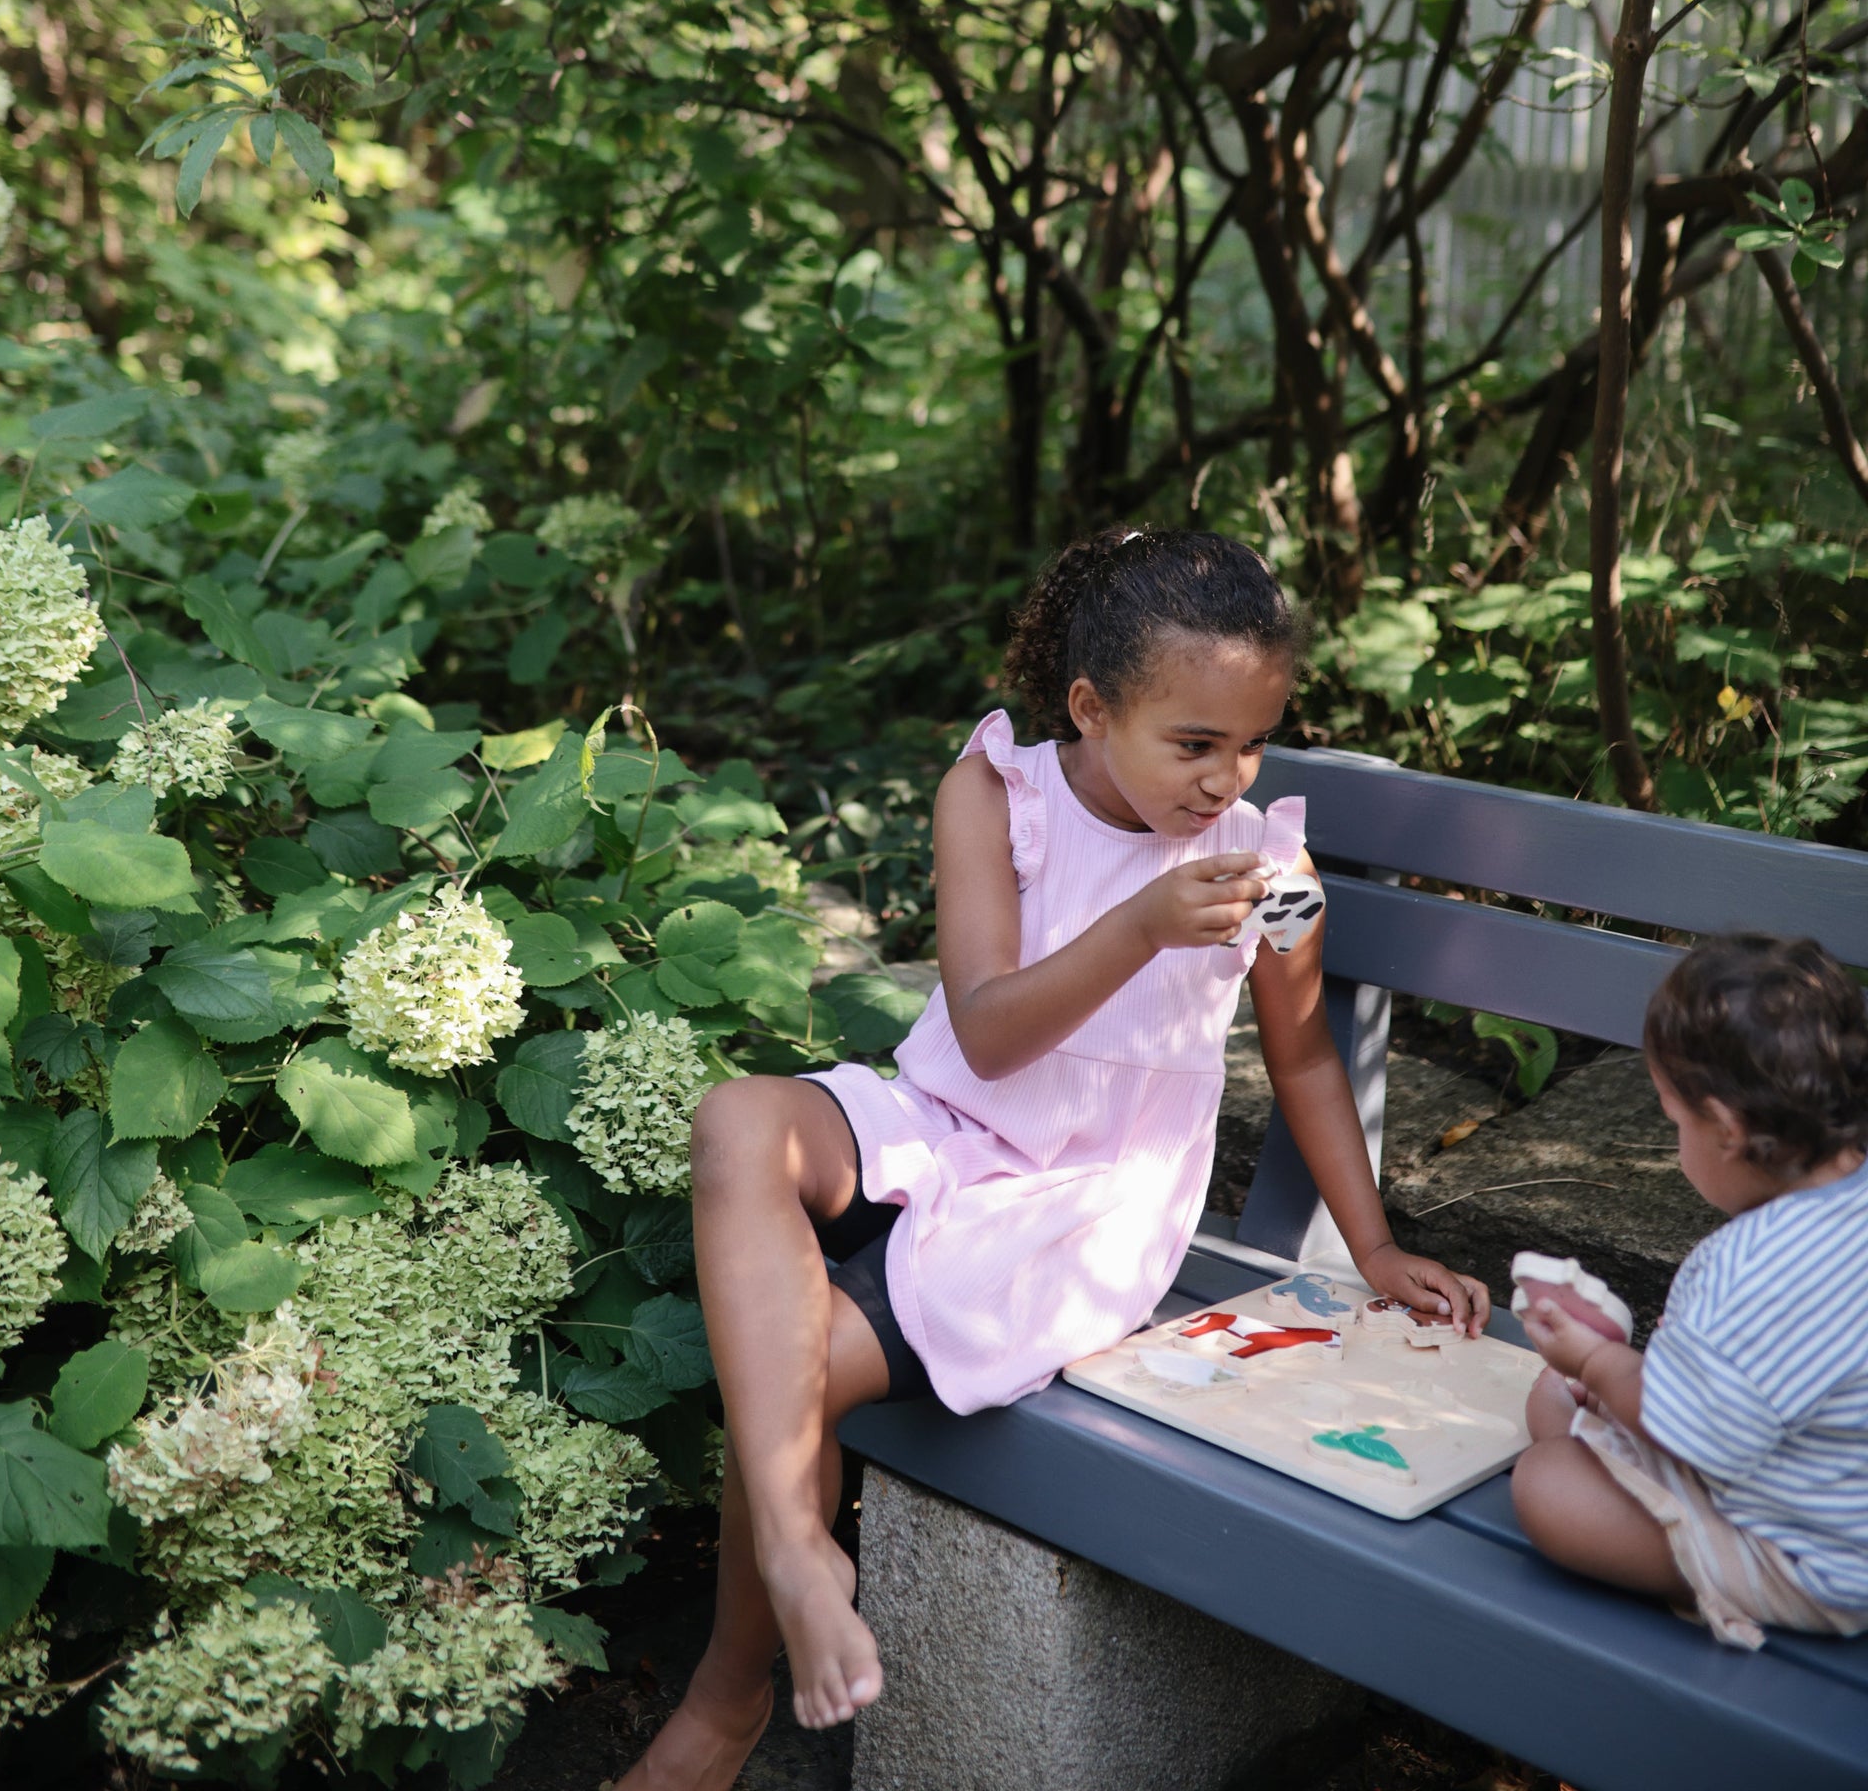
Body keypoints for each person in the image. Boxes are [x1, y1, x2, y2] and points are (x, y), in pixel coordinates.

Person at [618, 528, 1490, 1791]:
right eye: (1195, 743)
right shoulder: (995, 795)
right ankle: (801, 1552)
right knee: (738, 1119)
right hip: (943, 1120)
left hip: (1081, 1206)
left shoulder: (1274, 870)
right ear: (1090, 707)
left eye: (1254, 743)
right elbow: (986, 1033)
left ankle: (725, 1698)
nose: (1226, 780)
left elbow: (1306, 1061)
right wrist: (1141, 925)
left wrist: (1376, 1245)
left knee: (797, 1369)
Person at [1511, 933, 1868, 1650]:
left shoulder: (1752, 1265)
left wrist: (1598, 1363)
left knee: (1545, 1480)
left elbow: (1691, 1435)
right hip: (1816, 1475)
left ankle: (1707, 1572)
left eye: (1675, 1121)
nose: (1676, 1146)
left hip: (1815, 1555)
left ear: (1728, 1130)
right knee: (1556, 1399)